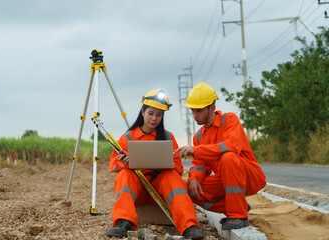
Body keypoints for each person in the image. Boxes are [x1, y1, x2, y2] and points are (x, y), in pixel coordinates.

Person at [106, 89, 205, 239]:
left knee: (172, 176)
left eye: (159, 115)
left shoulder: (167, 137)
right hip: (138, 191)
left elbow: (178, 167)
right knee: (124, 175)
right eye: (151, 113)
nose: (154, 118)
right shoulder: (129, 137)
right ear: (142, 112)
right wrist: (125, 163)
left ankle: (189, 226)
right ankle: (123, 223)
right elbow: (113, 165)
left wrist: (167, 164)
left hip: (159, 191)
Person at [174, 82, 267, 230]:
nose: (194, 115)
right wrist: (194, 179)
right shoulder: (198, 137)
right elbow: (200, 164)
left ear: (212, 108)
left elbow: (231, 147)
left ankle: (239, 215)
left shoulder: (229, 120)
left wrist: (196, 151)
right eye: (192, 111)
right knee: (189, 190)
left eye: (199, 111)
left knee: (228, 157)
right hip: (225, 180)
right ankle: (235, 206)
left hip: (249, 175)